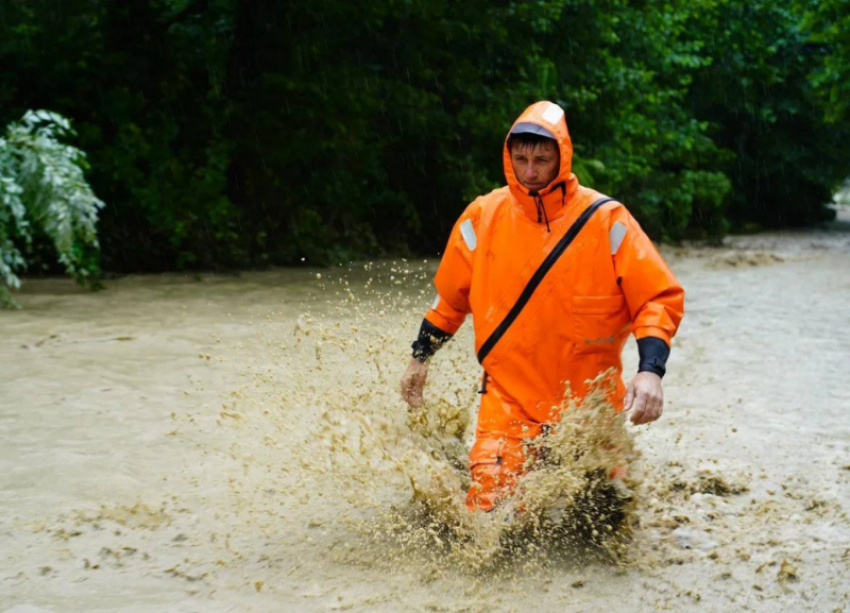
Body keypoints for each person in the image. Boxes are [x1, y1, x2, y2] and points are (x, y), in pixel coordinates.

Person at [400, 101, 685, 512]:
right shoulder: (482, 217)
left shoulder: (607, 220)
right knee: (487, 512)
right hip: (507, 401)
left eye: (541, 160)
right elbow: (449, 300)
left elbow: (657, 297)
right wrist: (419, 359)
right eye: (521, 159)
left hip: (588, 406)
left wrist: (650, 371)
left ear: (562, 158)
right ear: (508, 157)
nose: (530, 171)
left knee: (610, 515)